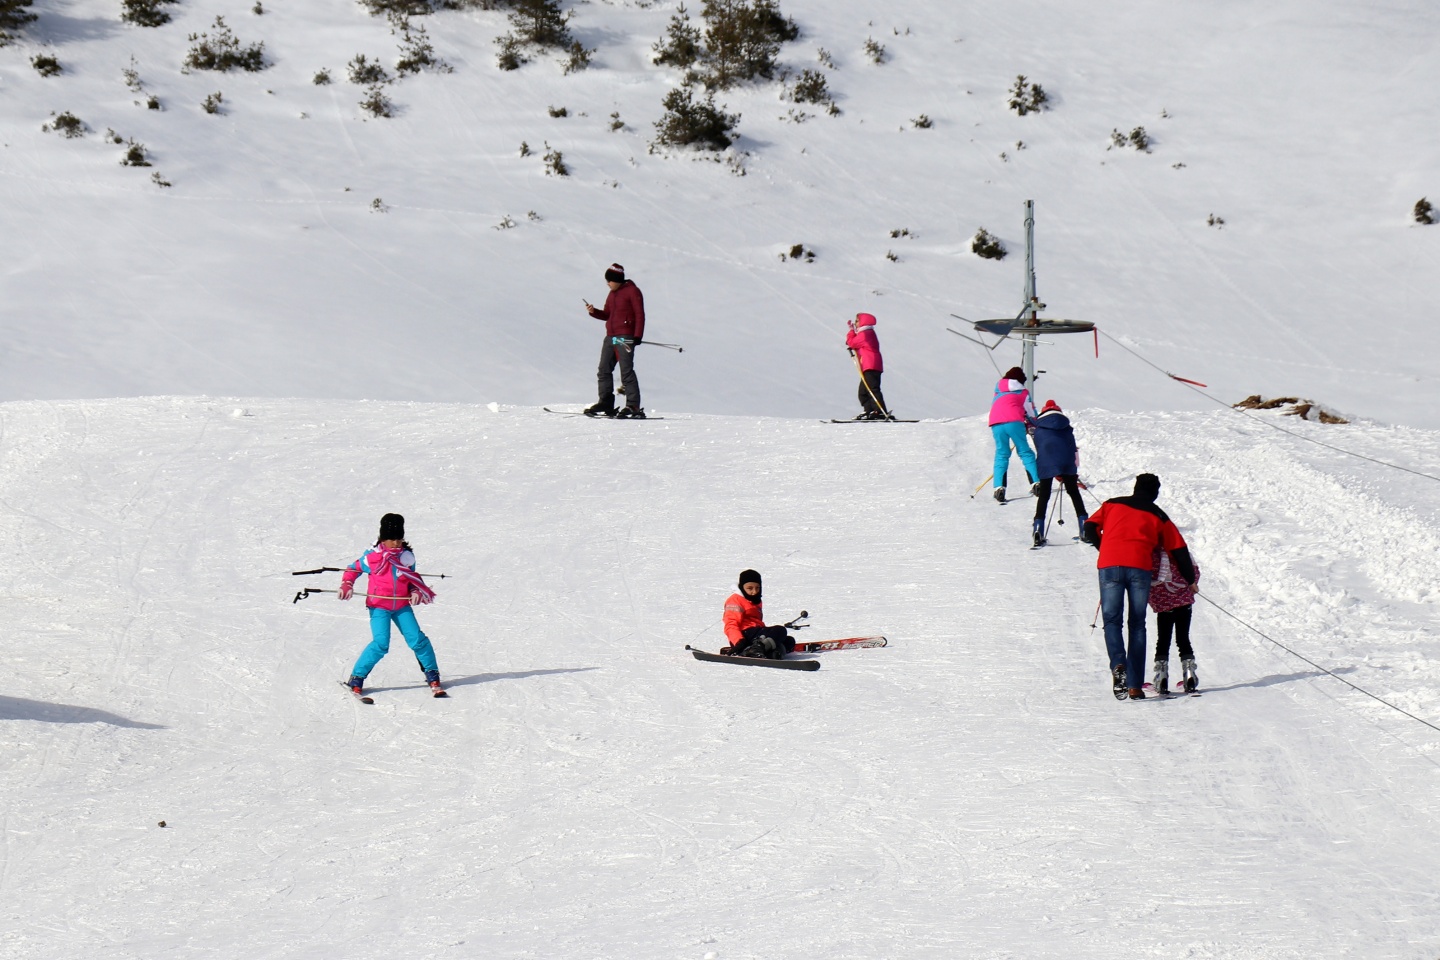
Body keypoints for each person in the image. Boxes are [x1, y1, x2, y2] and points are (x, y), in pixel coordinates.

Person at [1081, 474, 1195, 700]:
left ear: (1135, 488)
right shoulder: (1158, 515)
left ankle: (1118, 665)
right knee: (1137, 624)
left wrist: (1103, 547)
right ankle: (1134, 685)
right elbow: (1179, 549)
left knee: (1112, 620)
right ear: (1155, 493)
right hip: (1139, 568)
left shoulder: (1112, 504)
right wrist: (1190, 580)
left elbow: (1089, 528)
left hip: (1109, 565)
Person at [340, 513, 443, 697]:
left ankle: (432, 675)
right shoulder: (372, 558)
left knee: (417, 640)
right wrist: (347, 584)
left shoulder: (406, 557)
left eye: (399, 539)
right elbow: (352, 569)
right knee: (381, 643)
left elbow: (412, 578)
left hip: (401, 606)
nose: (396, 543)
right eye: (392, 539)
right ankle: (357, 677)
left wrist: (416, 591)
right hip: (379, 605)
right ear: (383, 539)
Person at [583, 262, 646, 419]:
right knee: (603, 369)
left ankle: (633, 405)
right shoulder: (612, 294)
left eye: (609, 281)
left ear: (617, 279)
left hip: (625, 337)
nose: (607, 284)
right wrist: (593, 312)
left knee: (626, 371)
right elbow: (607, 314)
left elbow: (640, 314)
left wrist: (637, 336)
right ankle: (605, 402)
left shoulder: (633, 291)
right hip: (610, 336)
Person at [1029, 399, 1088, 546]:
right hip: (1067, 462)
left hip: (1046, 463)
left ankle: (1038, 528)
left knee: (1044, 495)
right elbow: (1073, 449)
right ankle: (1084, 526)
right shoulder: (1067, 428)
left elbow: (1040, 448)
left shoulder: (1039, 429)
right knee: (1074, 493)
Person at [1149, 544, 1201, 694]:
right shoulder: (1179, 550)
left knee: (1163, 640)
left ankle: (1161, 676)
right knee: (1183, 639)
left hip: (1164, 604)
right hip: (1184, 601)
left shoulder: (1152, 554)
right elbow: (1194, 572)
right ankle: (1189, 673)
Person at [988, 366, 1039, 503]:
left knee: (1001, 454)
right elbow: (1031, 412)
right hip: (1014, 422)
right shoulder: (1023, 392)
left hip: (996, 423)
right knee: (1025, 452)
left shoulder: (997, 390)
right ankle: (1036, 483)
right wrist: (1033, 424)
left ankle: (999, 487)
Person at [721, 569, 795, 659]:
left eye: (757, 588)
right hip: (744, 635)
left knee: (789, 641)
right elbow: (731, 623)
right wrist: (738, 641)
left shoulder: (755, 600)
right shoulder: (735, 600)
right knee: (780, 631)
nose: (754, 591)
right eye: (750, 588)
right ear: (742, 587)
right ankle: (755, 649)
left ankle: (770, 653)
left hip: (755, 634)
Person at [845, 312, 891, 420]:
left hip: (871, 365)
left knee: (871, 389)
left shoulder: (866, 334)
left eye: (857, 321)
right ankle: (870, 410)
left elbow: (851, 342)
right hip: (868, 365)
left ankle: (879, 411)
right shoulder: (866, 333)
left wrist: (851, 331)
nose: (855, 323)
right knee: (863, 392)